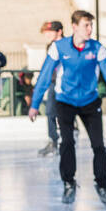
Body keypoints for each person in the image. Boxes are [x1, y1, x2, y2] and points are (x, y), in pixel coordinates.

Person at [28, 9, 106, 206]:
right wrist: (35, 104)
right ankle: (69, 184)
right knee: (66, 143)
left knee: (98, 145)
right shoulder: (59, 48)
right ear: (74, 27)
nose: (90, 29)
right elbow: (44, 75)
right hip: (65, 101)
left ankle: (102, 186)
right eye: (86, 25)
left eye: (91, 25)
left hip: (90, 101)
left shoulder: (96, 48)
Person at [35, 20, 66, 156]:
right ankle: (53, 141)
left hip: (65, 84)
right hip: (53, 83)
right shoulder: (50, 46)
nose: (47, 35)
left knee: (65, 112)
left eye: (50, 32)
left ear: (59, 31)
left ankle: (67, 140)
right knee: (50, 111)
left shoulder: (67, 45)